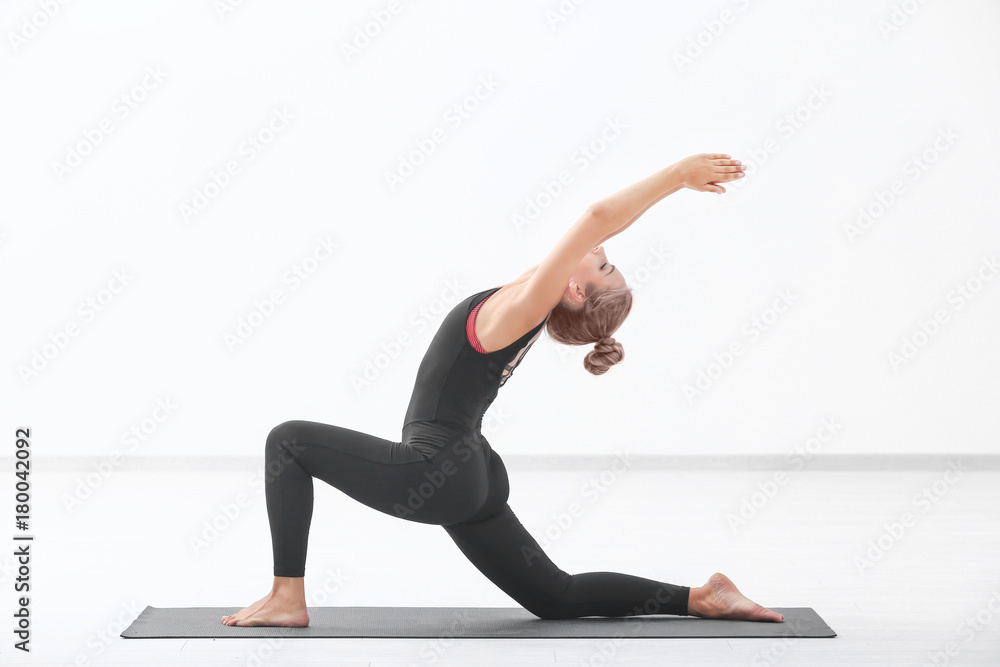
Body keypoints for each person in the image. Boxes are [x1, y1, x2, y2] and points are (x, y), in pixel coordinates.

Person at [221, 153, 784, 627]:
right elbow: (603, 227)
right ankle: (702, 597)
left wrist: (678, 175)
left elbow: (598, 217)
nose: (600, 249)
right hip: (472, 473)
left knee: (288, 440)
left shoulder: (526, 306)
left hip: (438, 470)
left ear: (573, 290)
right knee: (556, 597)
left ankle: (286, 597)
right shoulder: (528, 298)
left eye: (605, 265)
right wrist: (662, 193)